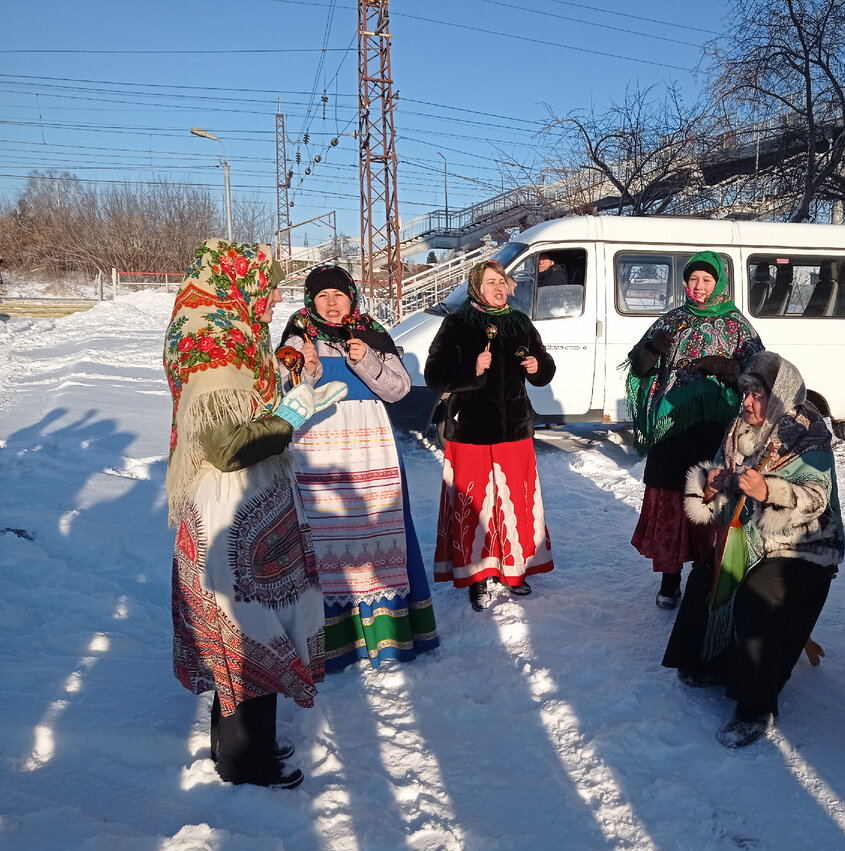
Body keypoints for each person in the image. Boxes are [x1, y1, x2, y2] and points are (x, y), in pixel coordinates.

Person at [165, 239, 346, 789]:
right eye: (263, 285)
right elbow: (226, 444)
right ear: (238, 281)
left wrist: (286, 380)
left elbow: (246, 397)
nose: (268, 298)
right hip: (231, 501)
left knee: (241, 622)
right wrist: (289, 415)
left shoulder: (219, 321)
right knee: (250, 624)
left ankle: (241, 746)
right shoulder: (212, 338)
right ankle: (248, 762)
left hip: (242, 498)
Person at [662, 351, 845, 748]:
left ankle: (755, 705)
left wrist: (770, 492)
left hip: (803, 546)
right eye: (745, 393)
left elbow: (817, 498)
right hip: (749, 538)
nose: (746, 403)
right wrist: (709, 488)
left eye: (756, 395)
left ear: (778, 397)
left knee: (761, 594)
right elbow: (718, 481)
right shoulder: (738, 430)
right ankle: (706, 661)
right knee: (708, 573)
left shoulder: (807, 435)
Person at [277, 264, 439, 672]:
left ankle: (387, 634)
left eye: (339, 295)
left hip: (372, 449)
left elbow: (399, 390)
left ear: (353, 297)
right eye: (321, 297)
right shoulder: (297, 335)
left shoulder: (371, 332)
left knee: (377, 533)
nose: (331, 304)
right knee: (324, 536)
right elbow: (285, 391)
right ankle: (331, 640)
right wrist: (306, 372)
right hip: (319, 449)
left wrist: (366, 360)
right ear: (310, 302)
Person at [627, 251, 764, 608]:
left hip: (713, 430)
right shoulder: (671, 320)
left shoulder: (737, 326)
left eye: (706, 280)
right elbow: (639, 369)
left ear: (718, 283)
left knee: (710, 498)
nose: (699, 287)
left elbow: (759, 372)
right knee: (671, 499)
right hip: (670, 429)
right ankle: (670, 581)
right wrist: (651, 349)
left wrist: (725, 367)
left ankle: (707, 576)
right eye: (693, 280)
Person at [424, 259, 556, 611]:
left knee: (515, 501)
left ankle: (514, 570)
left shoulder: (520, 323)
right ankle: (477, 576)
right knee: (476, 504)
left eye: (502, 281)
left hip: (514, 428)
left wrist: (538, 367)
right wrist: (472, 369)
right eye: (490, 282)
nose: (499, 288)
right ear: (476, 289)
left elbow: (545, 365)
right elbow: (435, 373)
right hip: (470, 429)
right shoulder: (457, 323)